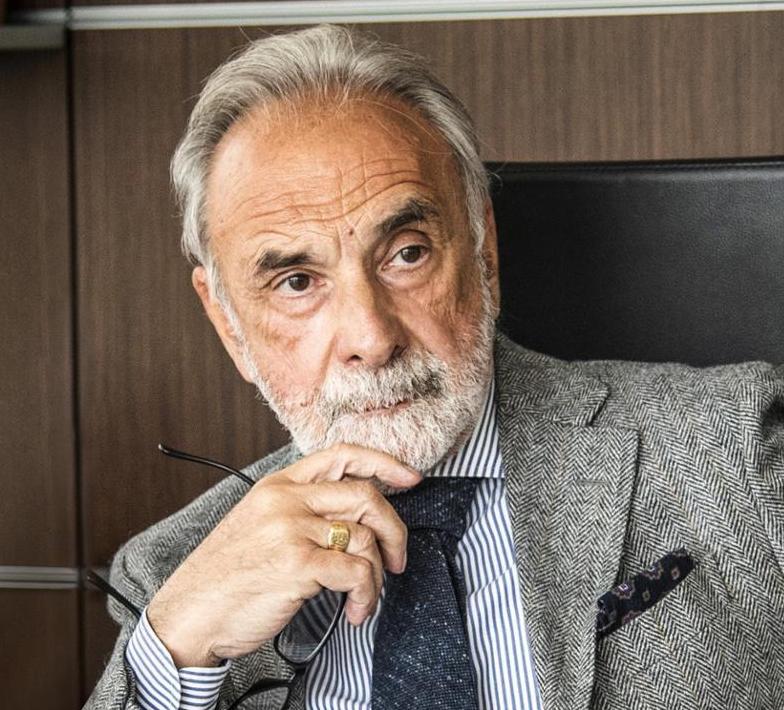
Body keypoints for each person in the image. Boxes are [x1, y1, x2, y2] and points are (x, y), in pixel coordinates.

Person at [85, 23, 784, 710]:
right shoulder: (172, 582)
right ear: (228, 326)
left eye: (407, 253)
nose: (372, 338)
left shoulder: (735, 446)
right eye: (297, 282)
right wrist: (177, 650)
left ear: (483, 253)